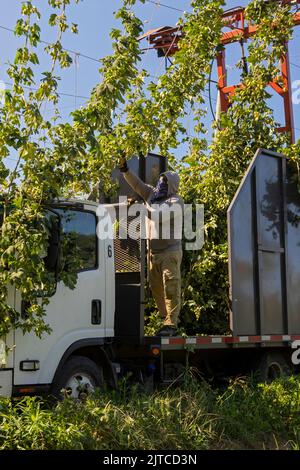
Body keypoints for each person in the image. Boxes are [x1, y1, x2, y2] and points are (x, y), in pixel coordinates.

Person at [119, 157, 184, 336]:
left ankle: (172, 324)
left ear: (172, 185)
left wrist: (141, 207)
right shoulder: (152, 194)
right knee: (155, 287)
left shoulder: (175, 201)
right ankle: (166, 321)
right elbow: (137, 184)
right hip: (153, 252)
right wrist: (125, 170)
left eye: (165, 182)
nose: (161, 184)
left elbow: (157, 216)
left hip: (170, 252)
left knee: (171, 287)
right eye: (160, 180)